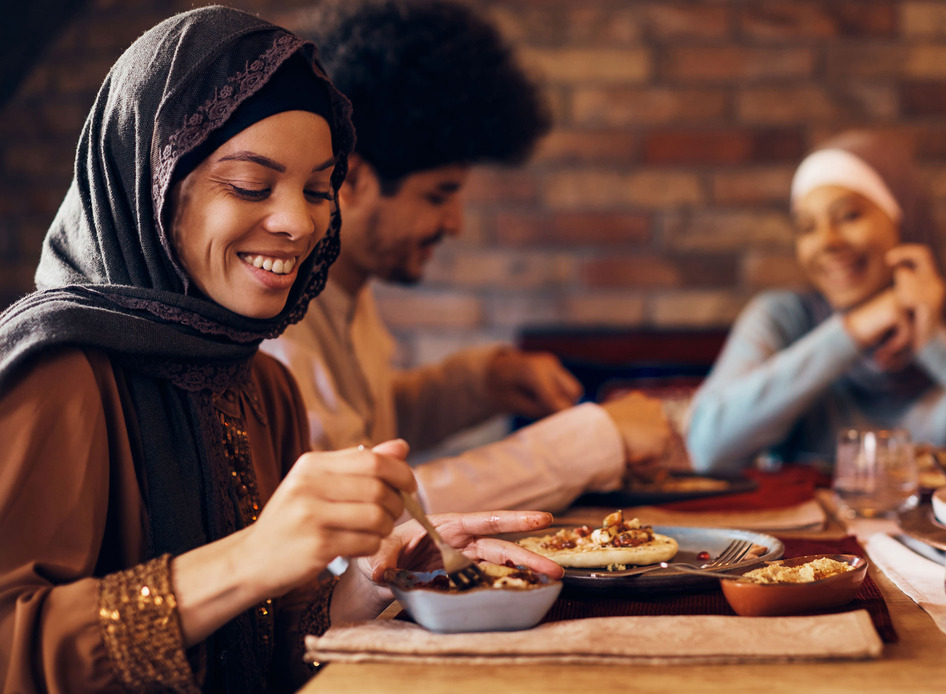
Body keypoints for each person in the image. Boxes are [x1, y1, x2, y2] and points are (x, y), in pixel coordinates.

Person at [0, 7, 562, 693]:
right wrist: (253, 557)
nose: (299, 222)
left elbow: (261, 651)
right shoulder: (58, 370)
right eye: (249, 186)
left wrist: (369, 579)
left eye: (318, 189)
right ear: (150, 185)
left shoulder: (262, 385)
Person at [262, 0, 677, 514]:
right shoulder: (276, 317)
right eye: (438, 196)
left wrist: (483, 382)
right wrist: (594, 440)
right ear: (356, 180)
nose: (454, 223)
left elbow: (366, 427)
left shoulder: (348, 291)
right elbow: (357, 512)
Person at [686, 130, 946, 475]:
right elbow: (707, 447)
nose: (826, 242)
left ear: (904, 220)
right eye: (807, 227)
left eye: (849, 216)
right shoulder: (783, 317)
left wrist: (935, 344)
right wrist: (851, 331)